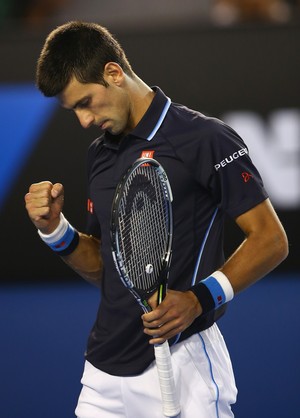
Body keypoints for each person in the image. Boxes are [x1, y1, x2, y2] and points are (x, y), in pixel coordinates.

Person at [24, 21, 288, 418]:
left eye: (85, 102)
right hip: (102, 376)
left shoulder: (204, 138)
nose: (83, 120)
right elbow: (108, 268)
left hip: (185, 369)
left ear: (113, 73)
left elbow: (270, 239)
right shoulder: (99, 154)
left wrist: (200, 300)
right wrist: (55, 231)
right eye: (72, 110)